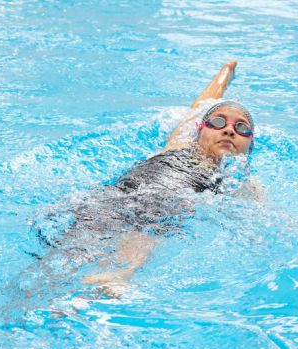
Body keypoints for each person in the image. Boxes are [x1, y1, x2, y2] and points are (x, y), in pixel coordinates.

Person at [26, 60, 260, 300]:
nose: (229, 130)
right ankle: (29, 296)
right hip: (112, 198)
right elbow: (201, 105)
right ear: (199, 130)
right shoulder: (178, 145)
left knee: (151, 224)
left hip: (162, 209)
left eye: (242, 128)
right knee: (64, 256)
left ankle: (111, 278)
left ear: (250, 143)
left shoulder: (243, 182)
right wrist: (225, 73)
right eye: (218, 122)